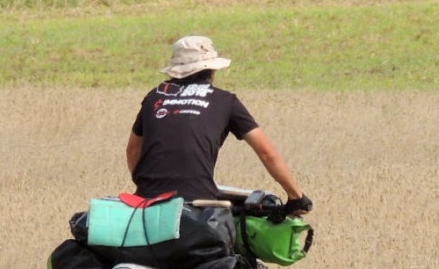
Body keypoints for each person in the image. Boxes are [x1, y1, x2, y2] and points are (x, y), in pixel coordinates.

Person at [126, 35, 312, 216]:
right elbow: (267, 153)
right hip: (197, 204)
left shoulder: (155, 96)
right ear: (212, 70)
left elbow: (133, 150)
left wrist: (146, 187)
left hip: (145, 203)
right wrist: (297, 197)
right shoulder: (224, 101)